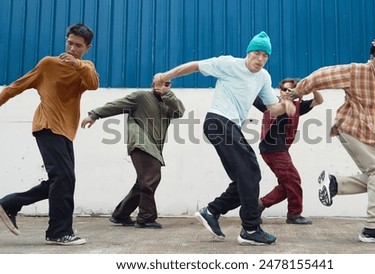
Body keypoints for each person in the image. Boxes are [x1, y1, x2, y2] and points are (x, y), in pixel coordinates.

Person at [154, 31, 294, 245]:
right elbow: (195, 65)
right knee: (251, 171)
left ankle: (212, 211)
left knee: (247, 178)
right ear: (248, 52)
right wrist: (165, 76)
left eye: (265, 55)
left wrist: (285, 103)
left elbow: (272, 110)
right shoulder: (229, 64)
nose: (260, 59)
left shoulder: (264, 77)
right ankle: (250, 228)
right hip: (218, 121)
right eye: (257, 53)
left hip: (231, 126)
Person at [294, 38, 375, 244]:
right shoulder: (358, 71)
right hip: (354, 126)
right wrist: (299, 90)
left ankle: (335, 184)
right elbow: (323, 75)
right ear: (371, 58)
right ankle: (374, 227)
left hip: (371, 132)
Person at [0, 23, 99, 245]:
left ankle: (9, 203)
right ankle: (58, 232)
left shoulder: (85, 67)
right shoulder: (48, 64)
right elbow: (17, 86)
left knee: (63, 180)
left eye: (78, 45)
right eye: (69, 43)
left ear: (87, 47)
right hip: (47, 126)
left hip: (65, 131)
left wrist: (78, 64)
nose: (72, 48)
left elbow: (93, 84)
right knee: (63, 178)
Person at [80, 81, 185, 229]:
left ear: (170, 86)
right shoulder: (141, 96)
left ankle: (120, 215)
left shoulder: (166, 104)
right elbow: (117, 105)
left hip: (154, 147)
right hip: (141, 143)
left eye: (166, 83)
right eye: (158, 83)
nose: (161, 85)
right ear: (153, 84)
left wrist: (167, 94)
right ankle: (145, 218)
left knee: (142, 183)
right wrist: (95, 115)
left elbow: (179, 112)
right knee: (150, 180)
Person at [254, 78, 323, 225]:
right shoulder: (271, 104)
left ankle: (258, 205)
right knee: (293, 181)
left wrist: (310, 87)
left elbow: (319, 100)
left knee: (288, 185)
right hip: (273, 149)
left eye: (291, 90)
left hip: (280, 150)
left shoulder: (298, 106)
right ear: (280, 91)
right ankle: (294, 214)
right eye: (284, 89)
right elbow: (253, 97)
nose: (287, 92)